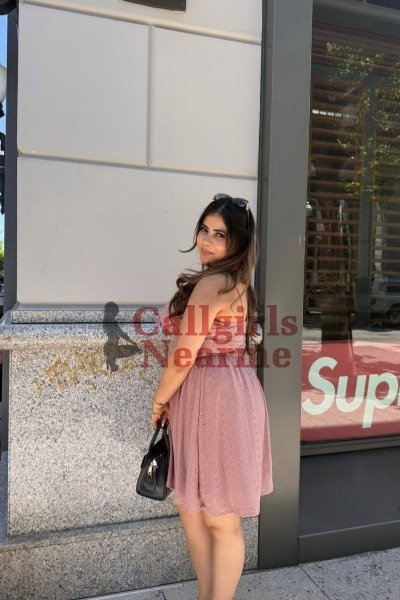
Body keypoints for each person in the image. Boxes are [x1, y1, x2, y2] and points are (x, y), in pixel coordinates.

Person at [150, 193, 273, 600]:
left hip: (216, 398)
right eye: (204, 229)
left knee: (218, 516)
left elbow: (183, 356)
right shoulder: (232, 282)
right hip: (215, 394)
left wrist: (159, 400)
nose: (206, 239)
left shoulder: (213, 283)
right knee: (194, 510)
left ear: (237, 242)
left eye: (219, 235)